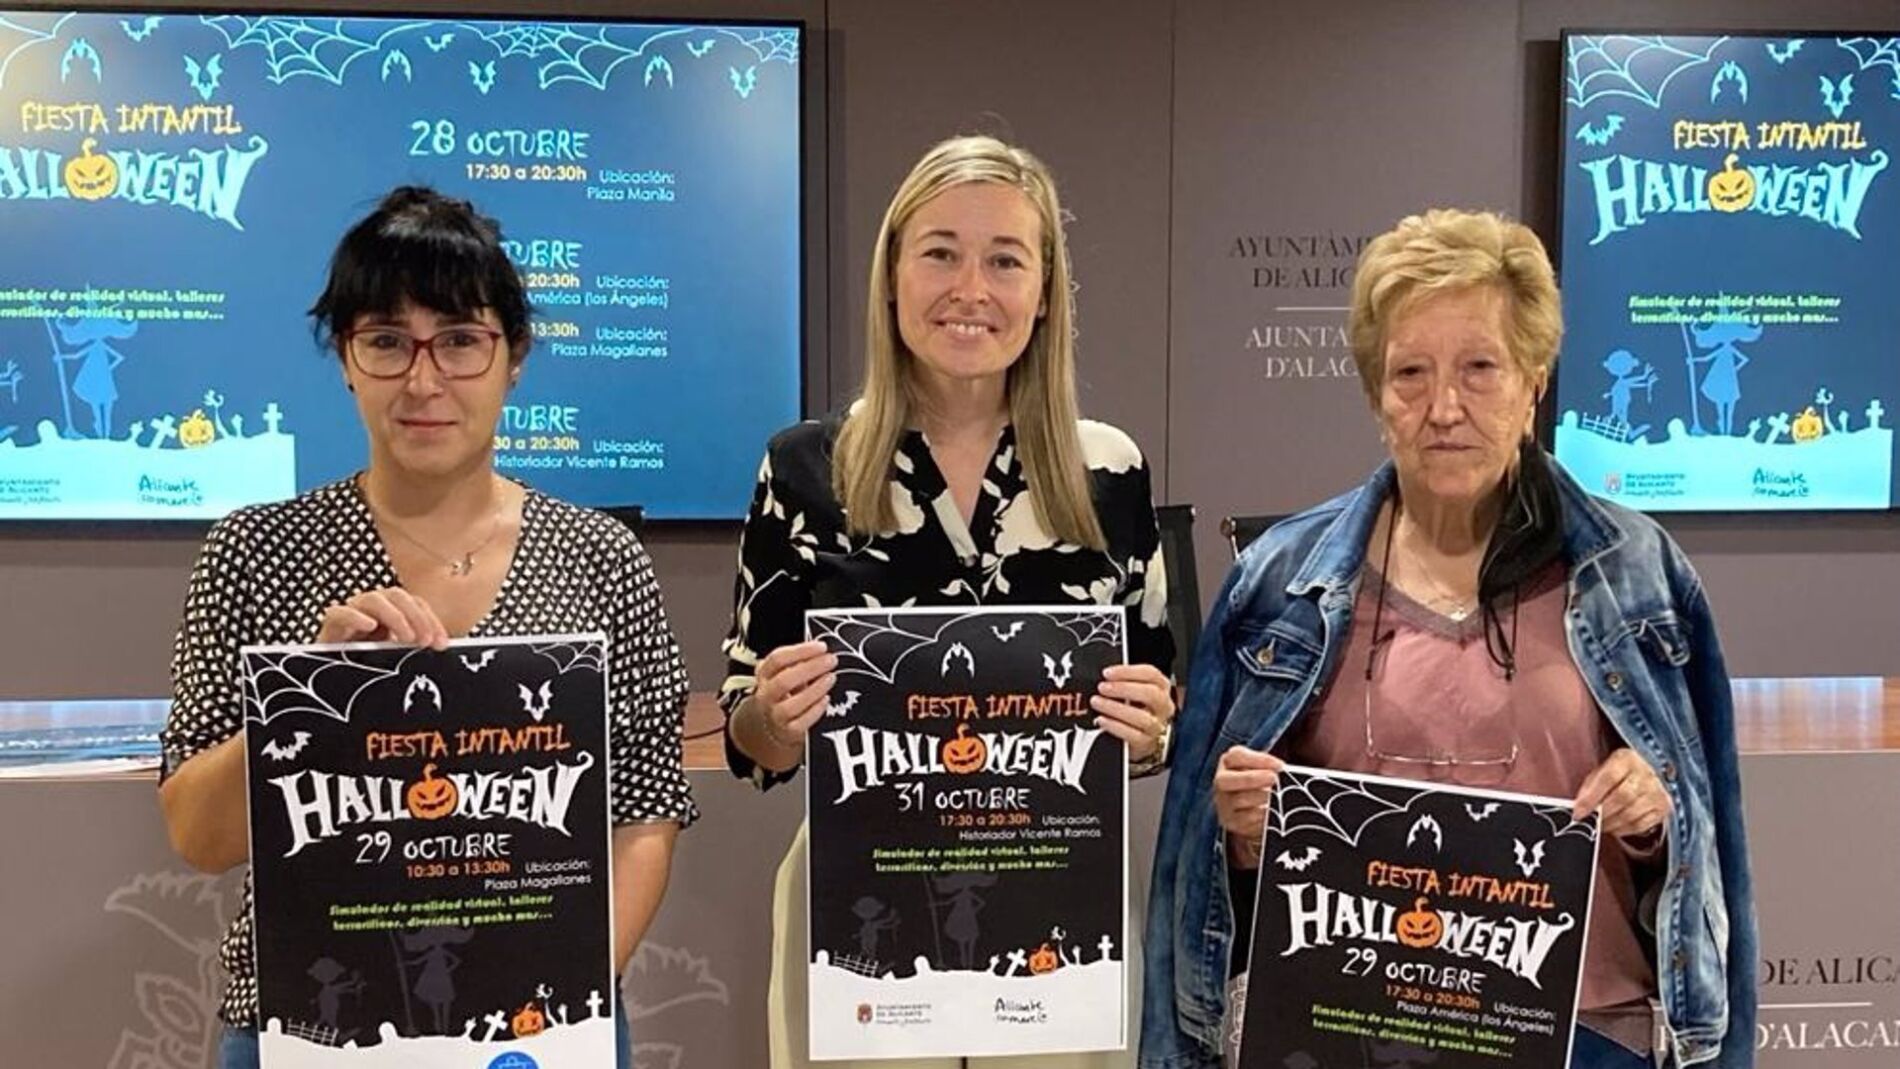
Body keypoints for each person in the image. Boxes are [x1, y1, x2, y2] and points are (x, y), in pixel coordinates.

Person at [1140, 209, 1755, 1069]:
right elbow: (1199, 880)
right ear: (1374, 394)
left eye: (1480, 368)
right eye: (1410, 374)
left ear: (1533, 381)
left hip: (1581, 1038)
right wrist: (1243, 836)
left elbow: (1712, 848)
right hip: (1345, 1033)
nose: (1443, 408)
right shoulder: (1278, 581)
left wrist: (1654, 815)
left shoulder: (1638, 573)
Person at [157, 186, 697, 1069]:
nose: (422, 379)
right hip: (305, 1026)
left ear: (514, 357)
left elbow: (642, 816)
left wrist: (556, 993)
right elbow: (199, 835)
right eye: (385, 341)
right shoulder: (254, 550)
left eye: (459, 340)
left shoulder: (600, 558)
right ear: (345, 357)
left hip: (538, 1029)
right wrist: (310, 697)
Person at [720, 134, 1177, 1069]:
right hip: (861, 912)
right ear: (892, 276)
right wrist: (772, 714)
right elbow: (749, 737)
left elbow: (1157, 713)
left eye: (1005, 260)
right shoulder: (804, 469)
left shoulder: (1109, 470)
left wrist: (1151, 725)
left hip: (1059, 912)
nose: (971, 288)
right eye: (940, 253)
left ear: (1044, 293)